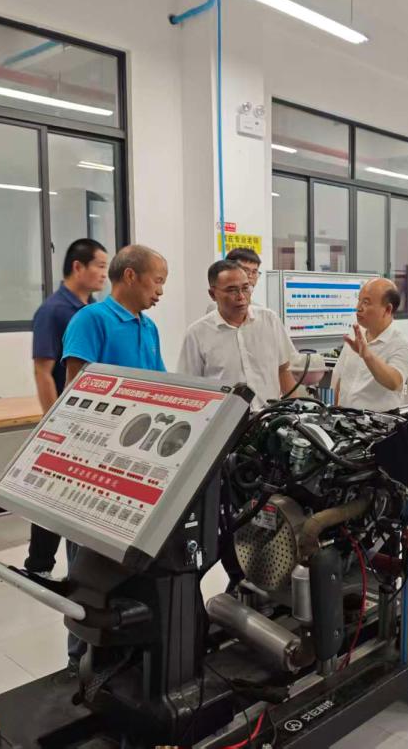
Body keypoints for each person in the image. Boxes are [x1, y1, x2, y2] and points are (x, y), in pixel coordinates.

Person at [25, 239, 108, 581]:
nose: (104, 274)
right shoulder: (54, 310)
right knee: (53, 490)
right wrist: (54, 420)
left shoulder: (94, 309)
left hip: (94, 418)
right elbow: (43, 371)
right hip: (67, 417)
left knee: (73, 492)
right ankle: (39, 565)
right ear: (78, 267)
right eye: (100, 266)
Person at [178, 259, 296, 409]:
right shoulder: (197, 334)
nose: (241, 296)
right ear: (213, 294)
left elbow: (284, 369)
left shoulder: (269, 320)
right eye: (232, 290)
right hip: (224, 419)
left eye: (245, 288)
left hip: (268, 416)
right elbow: (189, 387)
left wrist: (295, 410)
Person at [63, 244, 168, 383]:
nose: (160, 291)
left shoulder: (149, 327)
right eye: (157, 281)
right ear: (130, 275)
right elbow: (75, 388)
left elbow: (160, 383)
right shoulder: (89, 319)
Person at [333, 277, 408, 412]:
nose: (358, 308)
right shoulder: (356, 335)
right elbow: (341, 380)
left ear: (387, 309)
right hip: (345, 418)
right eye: (359, 300)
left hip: (377, 422)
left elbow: (395, 382)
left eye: (366, 302)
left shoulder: (400, 344)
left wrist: (367, 356)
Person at [205, 247, 262, 315]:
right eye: (245, 270)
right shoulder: (218, 307)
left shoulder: (260, 311)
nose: (250, 276)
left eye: (254, 272)